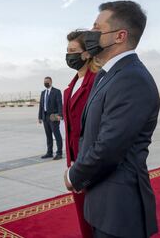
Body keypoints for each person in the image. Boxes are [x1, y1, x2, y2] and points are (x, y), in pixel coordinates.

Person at [64, 1, 160, 238]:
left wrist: (73, 175)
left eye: (97, 28)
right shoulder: (108, 75)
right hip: (102, 203)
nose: (90, 33)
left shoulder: (131, 79)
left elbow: (109, 147)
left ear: (120, 36)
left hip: (121, 211)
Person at [63, 29, 101, 238]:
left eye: (73, 50)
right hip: (74, 165)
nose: (68, 55)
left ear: (87, 53)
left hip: (92, 165)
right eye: (67, 50)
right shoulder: (71, 87)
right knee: (84, 222)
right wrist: (71, 167)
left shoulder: (97, 82)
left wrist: (84, 167)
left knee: (99, 222)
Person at [38, 77, 63, 160]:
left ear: (51, 82)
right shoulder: (43, 93)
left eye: (47, 82)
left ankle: (59, 153)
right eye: (44, 82)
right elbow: (41, 105)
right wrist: (40, 117)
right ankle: (49, 152)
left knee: (56, 135)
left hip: (53, 116)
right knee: (48, 135)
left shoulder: (56, 91)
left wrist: (60, 115)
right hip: (45, 117)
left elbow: (60, 104)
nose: (46, 83)